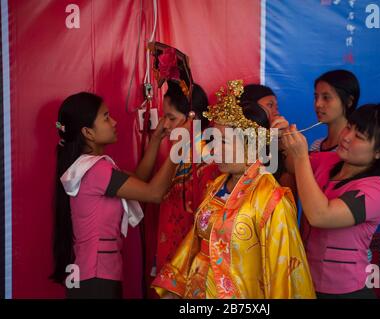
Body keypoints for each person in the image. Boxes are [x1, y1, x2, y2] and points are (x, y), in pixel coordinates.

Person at [152, 80, 316, 299]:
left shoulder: (271, 199)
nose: (213, 149)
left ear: (252, 145)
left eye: (223, 143)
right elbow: (194, 242)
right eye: (212, 141)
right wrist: (175, 289)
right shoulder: (216, 186)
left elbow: (282, 273)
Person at [51, 92, 192, 298]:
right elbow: (153, 193)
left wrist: (154, 141)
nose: (114, 122)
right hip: (96, 278)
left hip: (89, 275)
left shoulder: (89, 166)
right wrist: (180, 146)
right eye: (106, 117)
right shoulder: (96, 170)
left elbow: (138, 180)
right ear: (88, 132)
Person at [281, 104, 380, 298]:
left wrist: (300, 158)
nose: (346, 137)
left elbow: (320, 216)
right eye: (349, 127)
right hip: (305, 280)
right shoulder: (328, 160)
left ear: (379, 152)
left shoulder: (376, 190)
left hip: (344, 290)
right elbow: (290, 165)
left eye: (359, 136)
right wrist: (281, 139)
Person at [155, 81, 220, 273]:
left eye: (171, 118)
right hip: (171, 253)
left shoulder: (208, 160)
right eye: (164, 117)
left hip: (191, 262)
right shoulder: (180, 153)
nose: (165, 125)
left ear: (193, 118)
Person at [309, 69, 360, 152]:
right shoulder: (316, 145)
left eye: (326, 97)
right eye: (316, 97)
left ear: (349, 101)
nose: (318, 104)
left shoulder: (350, 151)